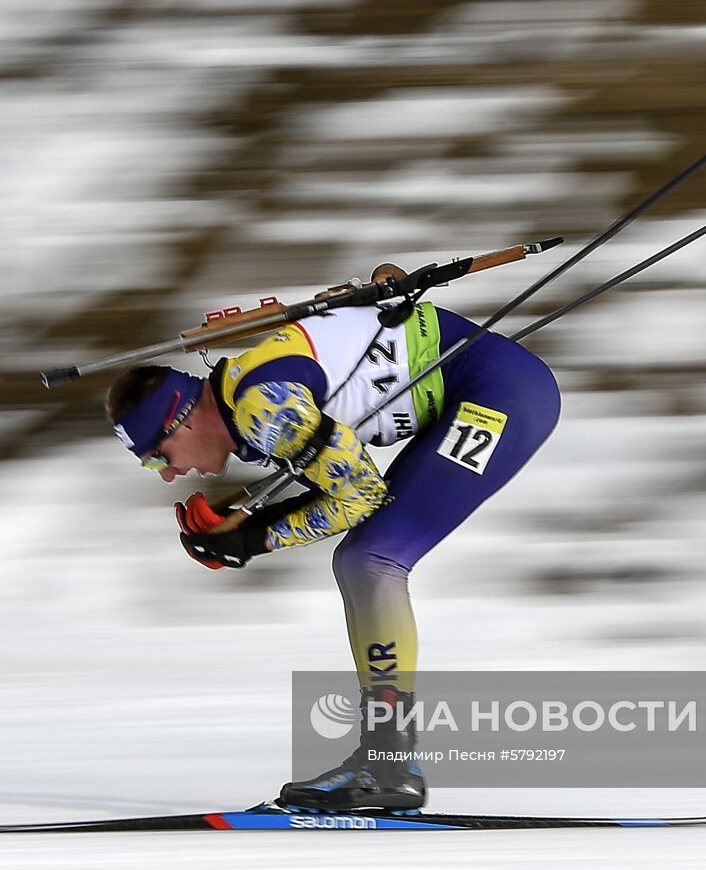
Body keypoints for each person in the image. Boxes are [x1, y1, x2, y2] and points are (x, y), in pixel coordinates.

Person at [106, 300, 561, 812]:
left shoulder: (264, 406)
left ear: (182, 421)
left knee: (371, 561)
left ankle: (389, 764)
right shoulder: (247, 398)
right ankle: (388, 761)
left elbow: (360, 495)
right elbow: (338, 482)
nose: (167, 474)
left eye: (155, 458)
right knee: (364, 558)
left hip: (497, 396)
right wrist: (249, 527)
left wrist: (256, 538)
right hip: (488, 386)